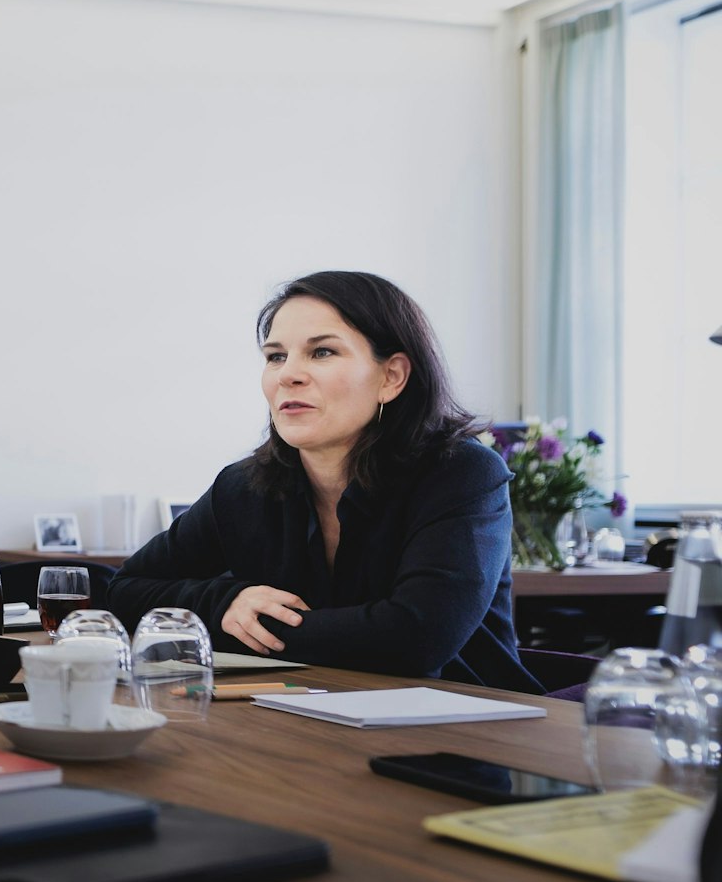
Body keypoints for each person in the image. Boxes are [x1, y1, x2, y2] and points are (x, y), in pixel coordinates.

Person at [104, 271, 540, 693]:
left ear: (391, 377)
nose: (287, 374)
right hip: (307, 715)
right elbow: (123, 592)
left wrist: (243, 629)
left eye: (322, 352)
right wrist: (225, 604)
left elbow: (415, 639)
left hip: (467, 723)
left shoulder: (463, 473)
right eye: (276, 356)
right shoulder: (242, 487)